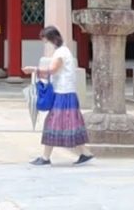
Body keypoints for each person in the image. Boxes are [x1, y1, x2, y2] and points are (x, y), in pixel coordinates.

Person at [23, 26, 94, 166]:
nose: (45, 43)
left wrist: (34, 69)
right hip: (66, 92)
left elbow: (52, 70)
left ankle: (46, 157)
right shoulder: (63, 51)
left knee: (53, 123)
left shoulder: (61, 53)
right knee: (70, 124)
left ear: (51, 39)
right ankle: (85, 153)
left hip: (63, 93)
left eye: (46, 40)